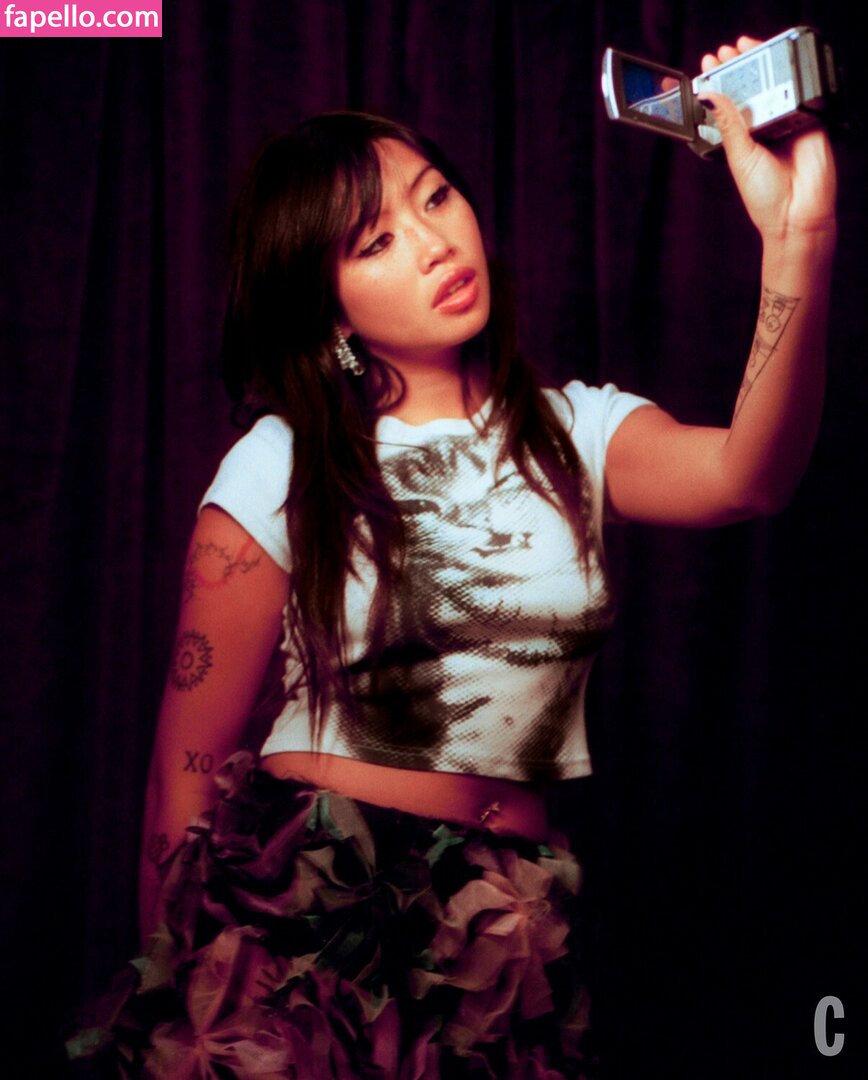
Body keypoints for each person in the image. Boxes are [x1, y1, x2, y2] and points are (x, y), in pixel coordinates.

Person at [78, 33, 836, 1079]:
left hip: (507, 934)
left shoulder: (576, 431)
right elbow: (188, 768)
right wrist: (180, 1011)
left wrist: (798, 236)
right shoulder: (279, 461)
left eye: (436, 197)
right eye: (376, 241)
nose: (435, 243)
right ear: (328, 306)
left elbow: (752, 474)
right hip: (313, 921)